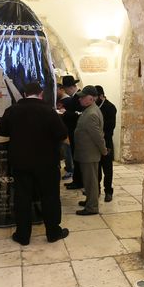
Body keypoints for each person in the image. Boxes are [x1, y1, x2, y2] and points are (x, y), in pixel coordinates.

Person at [0, 82, 69, 245]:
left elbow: (2, 131)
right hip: (47, 163)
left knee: (22, 198)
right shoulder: (49, 111)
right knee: (50, 197)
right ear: (41, 94)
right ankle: (53, 233)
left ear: (24, 94)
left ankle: (23, 236)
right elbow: (62, 134)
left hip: (21, 163)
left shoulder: (12, 110)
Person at [73, 86, 108, 216]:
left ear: (91, 98)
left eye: (83, 97)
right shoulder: (89, 110)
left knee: (91, 182)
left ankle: (92, 207)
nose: (80, 99)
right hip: (86, 153)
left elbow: (98, 136)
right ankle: (89, 201)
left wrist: (104, 150)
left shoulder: (92, 113)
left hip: (89, 153)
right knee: (88, 181)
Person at [60, 75, 84, 190]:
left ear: (70, 87)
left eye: (65, 89)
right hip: (73, 131)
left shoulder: (79, 97)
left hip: (77, 132)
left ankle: (78, 182)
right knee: (75, 157)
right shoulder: (74, 97)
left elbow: (79, 114)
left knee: (77, 158)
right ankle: (76, 180)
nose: (65, 92)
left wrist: (65, 113)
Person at [95, 85, 117, 202]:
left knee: (107, 169)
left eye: (95, 97)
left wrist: (99, 131)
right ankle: (96, 190)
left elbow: (111, 126)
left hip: (106, 141)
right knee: (96, 168)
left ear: (101, 96)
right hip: (95, 143)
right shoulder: (94, 107)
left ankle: (108, 191)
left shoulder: (110, 107)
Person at [56, 83, 73, 180]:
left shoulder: (68, 100)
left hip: (66, 130)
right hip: (60, 129)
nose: (55, 92)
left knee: (67, 151)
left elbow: (70, 116)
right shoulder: (58, 99)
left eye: (56, 89)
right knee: (64, 150)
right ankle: (68, 167)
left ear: (62, 89)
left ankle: (70, 170)